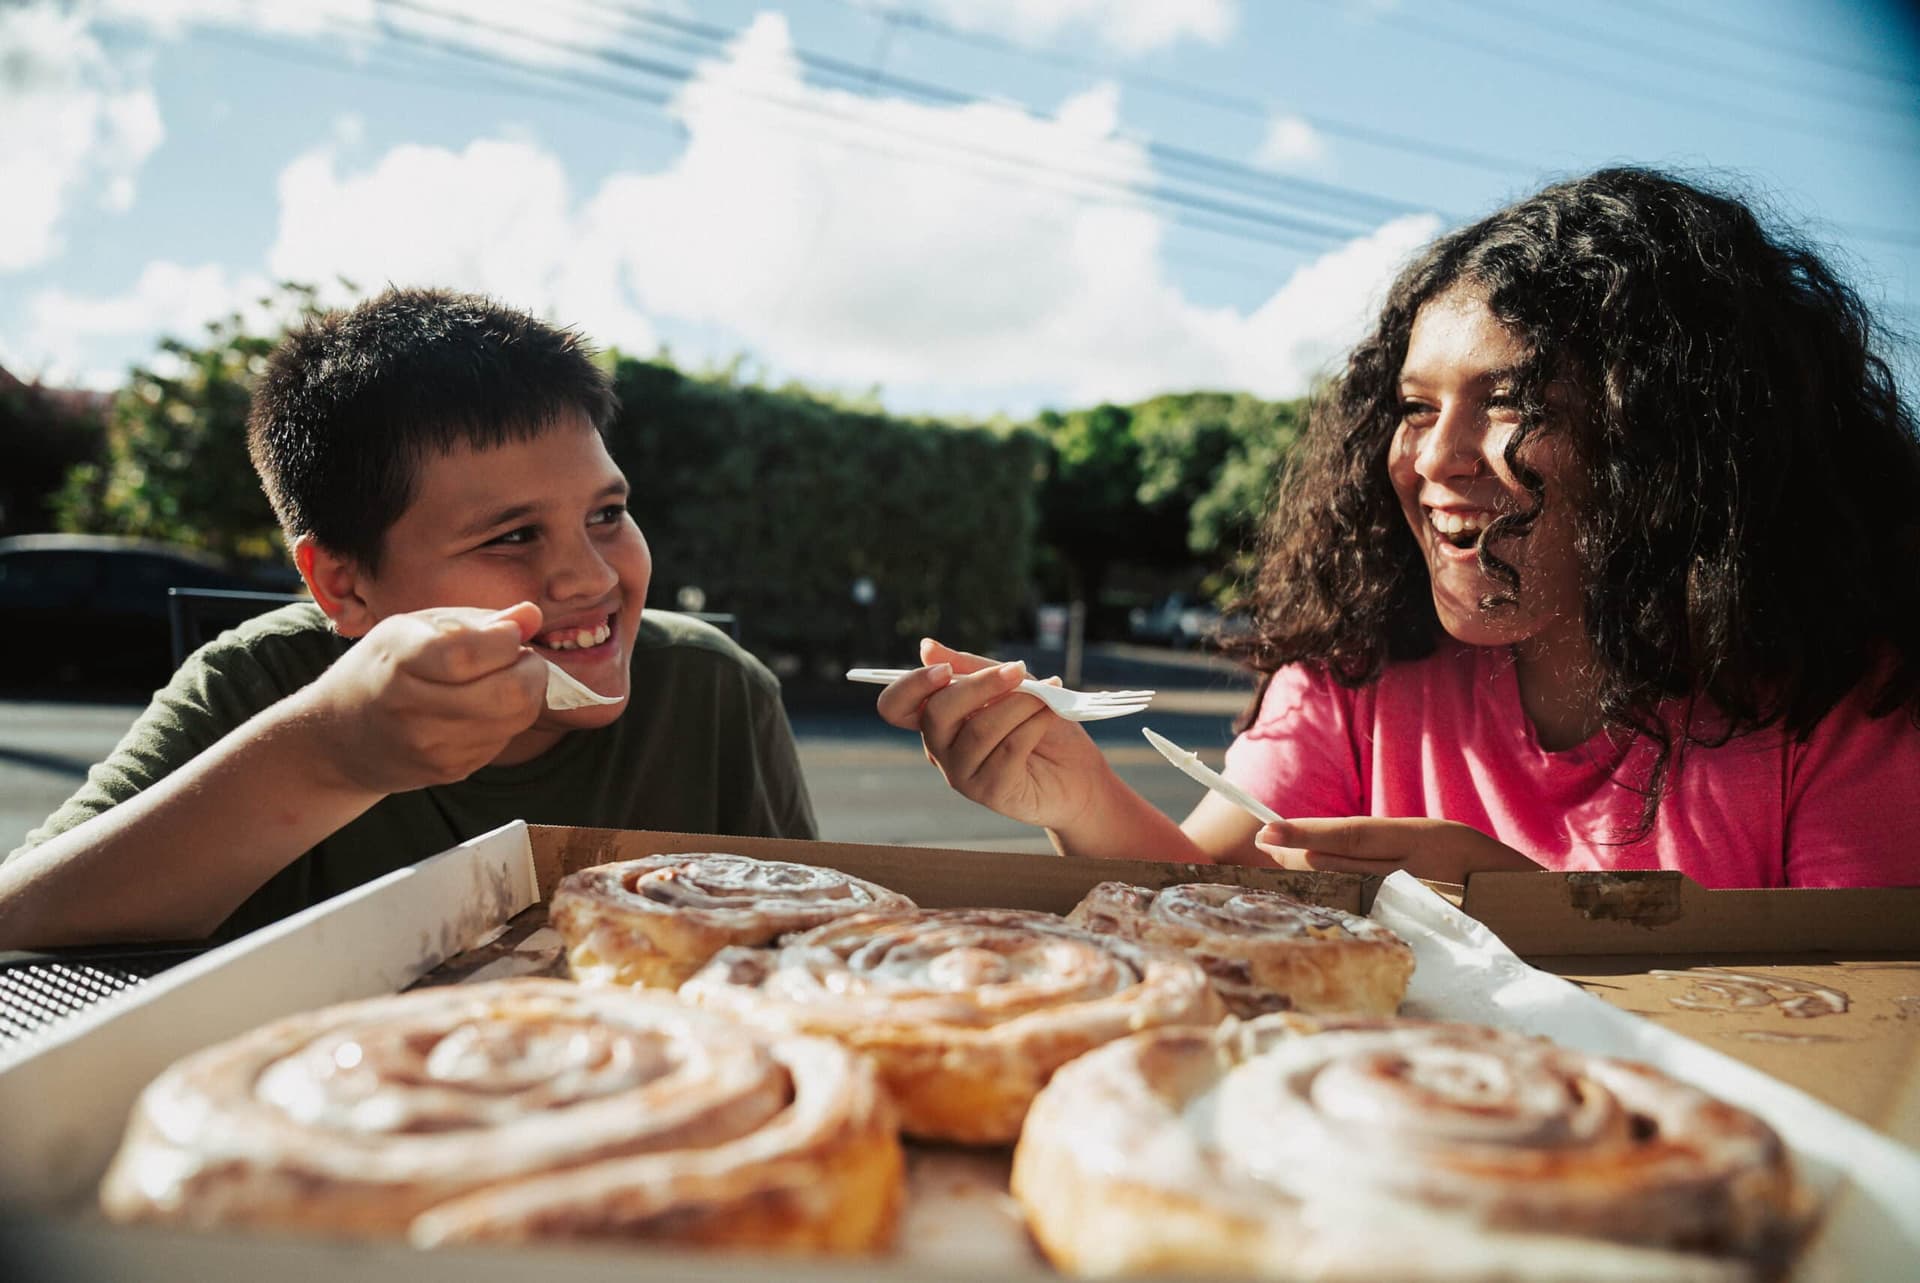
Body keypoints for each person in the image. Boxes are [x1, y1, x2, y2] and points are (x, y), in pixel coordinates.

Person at [876, 167, 1920, 889]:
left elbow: (1859, 1018)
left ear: (1680, 444)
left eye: (1513, 403)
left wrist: (1531, 914)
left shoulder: (1849, 704)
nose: (1434, 458)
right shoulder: (1357, 665)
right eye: (1418, 407)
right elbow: (1208, 889)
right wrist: (1075, 794)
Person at [0, 288, 815, 948]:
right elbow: (19, 915)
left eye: (607, 513)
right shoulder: (263, 686)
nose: (592, 575)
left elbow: (818, 938)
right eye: (514, 535)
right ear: (343, 585)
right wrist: (333, 752)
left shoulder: (716, 692)